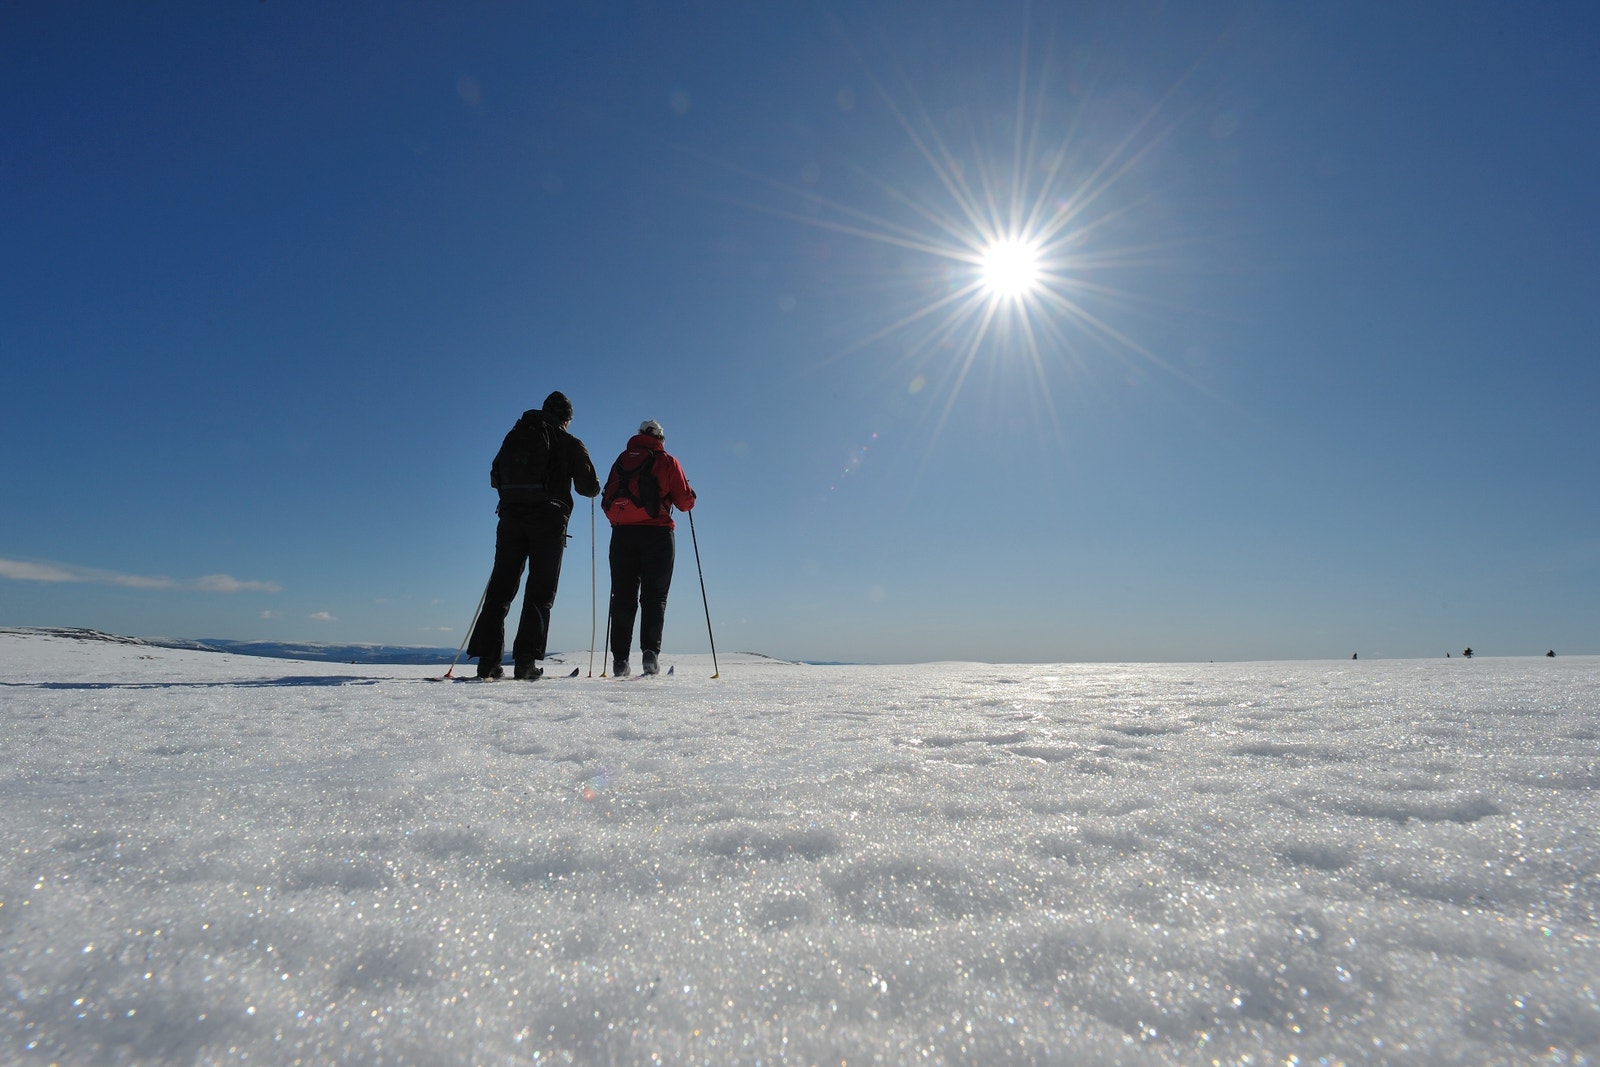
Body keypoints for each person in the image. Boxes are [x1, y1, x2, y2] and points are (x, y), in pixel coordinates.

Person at [467, 391, 599, 680]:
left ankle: (488, 661)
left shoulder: (515, 435)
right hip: (549, 521)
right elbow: (588, 488)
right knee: (540, 591)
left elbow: (494, 475)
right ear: (567, 418)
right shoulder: (569, 442)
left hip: (511, 518)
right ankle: (525, 662)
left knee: (501, 588)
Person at [602, 419, 695, 676]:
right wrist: (691, 495)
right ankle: (650, 655)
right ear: (660, 438)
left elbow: (608, 496)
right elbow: (684, 502)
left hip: (622, 534)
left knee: (623, 597)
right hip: (657, 534)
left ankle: (620, 660)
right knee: (654, 597)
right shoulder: (667, 461)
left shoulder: (622, 460)